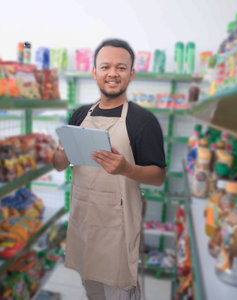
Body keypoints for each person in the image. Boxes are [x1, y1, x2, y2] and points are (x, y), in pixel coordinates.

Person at [53, 38, 166, 300]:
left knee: (118, 291)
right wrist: (60, 152)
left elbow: (158, 176)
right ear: (94, 72)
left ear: (131, 73)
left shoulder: (143, 121)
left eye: (121, 67)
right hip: (84, 218)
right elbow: (59, 165)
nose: (112, 73)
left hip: (117, 226)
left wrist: (127, 169)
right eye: (105, 67)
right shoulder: (80, 115)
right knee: (91, 288)